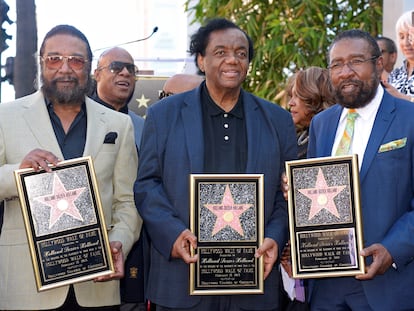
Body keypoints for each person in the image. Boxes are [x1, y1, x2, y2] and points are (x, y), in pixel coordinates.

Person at [134, 18, 297, 311]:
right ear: (201, 59)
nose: (233, 59)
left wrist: (275, 236)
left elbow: (285, 195)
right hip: (181, 281)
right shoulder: (163, 116)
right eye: (221, 52)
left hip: (254, 281)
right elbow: (147, 185)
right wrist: (172, 234)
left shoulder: (278, 120)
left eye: (241, 53)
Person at [0, 24, 141, 310]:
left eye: (76, 60)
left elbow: (128, 201)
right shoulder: (6, 116)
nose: (65, 68)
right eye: (54, 59)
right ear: (41, 63)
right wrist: (19, 173)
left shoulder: (118, 124)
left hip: (97, 283)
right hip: (26, 286)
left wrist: (118, 243)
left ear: (89, 67)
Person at [306, 29, 414, 310]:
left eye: (356, 61)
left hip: (389, 285)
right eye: (337, 64)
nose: (346, 72)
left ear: (379, 64)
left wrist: (393, 249)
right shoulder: (322, 124)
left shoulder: (409, 119)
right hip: (326, 286)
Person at [90, 47, 146, 311]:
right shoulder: (79, 121)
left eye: (131, 69)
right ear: (96, 74)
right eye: (116, 67)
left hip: (138, 247)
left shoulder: (146, 126)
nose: (125, 72)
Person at [280, 66, 335, 311]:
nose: (290, 103)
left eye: (297, 96)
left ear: (315, 98)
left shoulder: (328, 144)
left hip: (315, 260)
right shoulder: (294, 138)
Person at [383, 10, 414, 102]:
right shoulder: (395, 74)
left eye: (410, 36)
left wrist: (401, 97)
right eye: (401, 37)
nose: (406, 43)